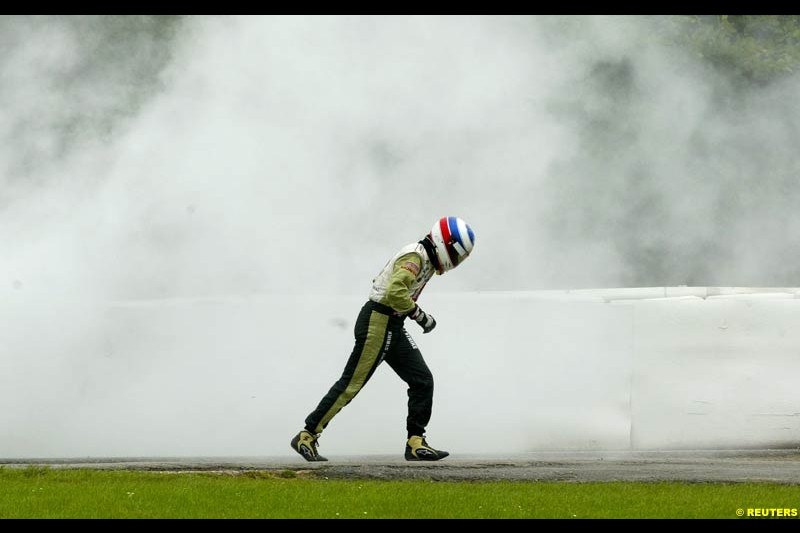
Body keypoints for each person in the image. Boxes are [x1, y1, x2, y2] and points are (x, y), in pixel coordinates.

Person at [290, 216, 475, 462]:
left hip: (392, 323)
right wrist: (421, 317)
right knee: (351, 384)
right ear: (445, 243)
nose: (455, 261)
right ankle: (307, 435)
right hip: (378, 320)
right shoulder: (416, 258)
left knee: (422, 380)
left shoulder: (425, 258)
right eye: (456, 253)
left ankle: (415, 442)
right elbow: (394, 292)